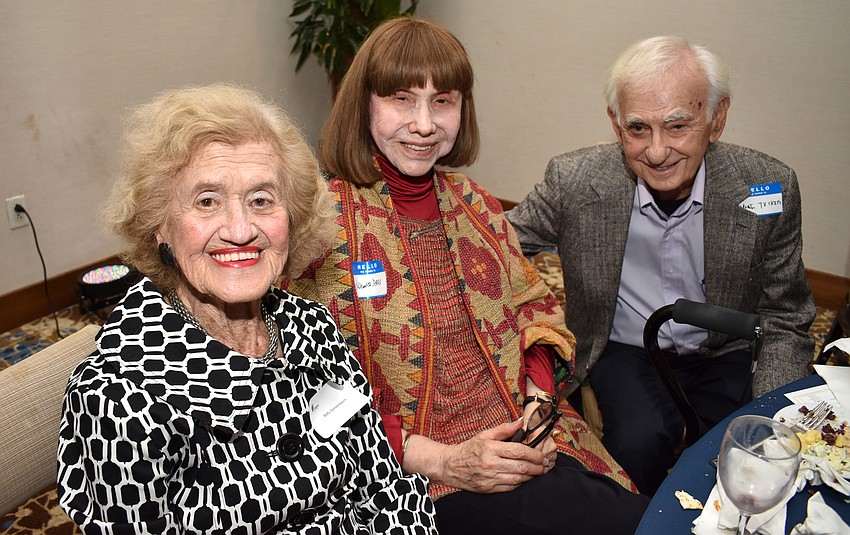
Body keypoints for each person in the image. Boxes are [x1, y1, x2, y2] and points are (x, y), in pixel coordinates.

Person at [283, 16, 649, 535]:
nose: (425, 124)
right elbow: (305, 393)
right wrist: (446, 461)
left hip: (529, 432)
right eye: (402, 99)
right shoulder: (318, 227)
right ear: (364, 104)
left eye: (443, 101)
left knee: (639, 511)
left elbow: (534, 308)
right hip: (418, 476)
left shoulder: (475, 203)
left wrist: (539, 404)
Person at [56, 83, 437, 534]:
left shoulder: (312, 326)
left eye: (261, 200)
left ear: (291, 219)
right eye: (207, 201)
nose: (240, 230)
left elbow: (384, 485)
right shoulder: (121, 401)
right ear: (159, 225)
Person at [506, 35, 816, 496]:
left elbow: (786, 317)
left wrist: (773, 416)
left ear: (717, 119)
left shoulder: (767, 187)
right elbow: (491, 247)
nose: (656, 151)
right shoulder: (574, 181)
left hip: (725, 349)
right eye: (637, 129)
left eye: (677, 127)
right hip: (625, 348)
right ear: (615, 124)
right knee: (636, 445)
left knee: (741, 457)